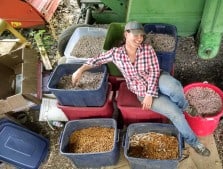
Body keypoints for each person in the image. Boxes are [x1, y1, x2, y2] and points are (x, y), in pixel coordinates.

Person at [72, 21, 211, 156]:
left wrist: (150, 94)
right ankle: (194, 142)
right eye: (136, 35)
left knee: (173, 87)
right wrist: (80, 70)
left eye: (141, 35)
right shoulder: (116, 53)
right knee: (175, 114)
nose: (139, 39)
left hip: (157, 78)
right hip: (141, 91)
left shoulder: (147, 49)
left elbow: (155, 71)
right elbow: (96, 59)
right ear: (126, 34)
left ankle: (185, 106)